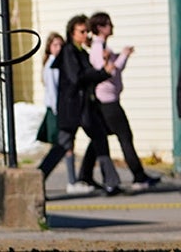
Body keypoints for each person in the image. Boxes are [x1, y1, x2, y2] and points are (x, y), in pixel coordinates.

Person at [37, 14, 120, 195]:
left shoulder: (81, 52)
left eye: (87, 31)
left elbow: (87, 74)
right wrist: (102, 73)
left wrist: (101, 71)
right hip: (72, 108)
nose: (85, 35)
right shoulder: (69, 52)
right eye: (82, 31)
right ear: (72, 32)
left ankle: (111, 181)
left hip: (84, 108)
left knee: (99, 138)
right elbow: (77, 78)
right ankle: (37, 180)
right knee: (61, 146)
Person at [79, 13, 161, 191]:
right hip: (107, 102)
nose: (112, 26)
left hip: (109, 100)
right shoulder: (97, 48)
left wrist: (121, 56)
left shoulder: (101, 46)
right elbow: (107, 71)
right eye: (108, 24)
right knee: (125, 137)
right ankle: (139, 176)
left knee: (98, 138)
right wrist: (123, 56)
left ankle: (85, 175)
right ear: (101, 28)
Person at [36, 31, 90, 193]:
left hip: (62, 109)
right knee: (63, 146)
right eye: (55, 45)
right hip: (57, 110)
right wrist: (58, 111)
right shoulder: (52, 66)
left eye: (61, 44)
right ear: (49, 48)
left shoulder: (61, 62)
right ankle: (69, 181)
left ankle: (72, 180)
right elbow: (53, 91)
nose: (58, 48)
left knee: (67, 145)